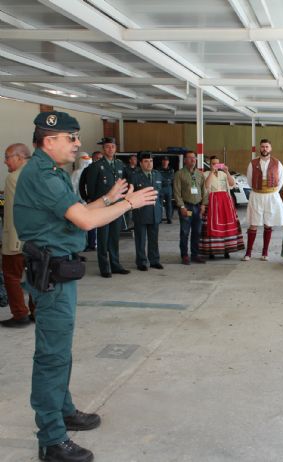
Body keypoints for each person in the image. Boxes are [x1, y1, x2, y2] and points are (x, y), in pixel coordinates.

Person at [14, 111, 157, 462]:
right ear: (50, 141)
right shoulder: (43, 176)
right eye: (71, 138)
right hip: (52, 276)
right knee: (52, 356)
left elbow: (78, 210)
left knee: (59, 351)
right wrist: (128, 203)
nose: (78, 144)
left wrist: (109, 197)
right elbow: (86, 220)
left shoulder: (52, 173)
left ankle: (62, 411)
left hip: (60, 272)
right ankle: (51, 439)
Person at [83, 137, 130, 277]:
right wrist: (94, 203)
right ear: (104, 149)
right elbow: (90, 188)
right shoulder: (96, 166)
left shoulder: (120, 165)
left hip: (116, 206)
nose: (110, 149)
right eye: (108, 147)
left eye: (113, 147)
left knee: (115, 237)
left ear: (116, 149)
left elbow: (124, 183)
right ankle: (104, 267)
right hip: (103, 207)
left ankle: (115, 264)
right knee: (103, 238)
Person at [1, 143, 35, 328]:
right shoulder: (36, 173)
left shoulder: (13, 177)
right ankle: (36, 311)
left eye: (8, 157)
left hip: (17, 239)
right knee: (35, 276)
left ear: (20, 157)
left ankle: (20, 314)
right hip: (36, 239)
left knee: (11, 276)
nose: (5, 161)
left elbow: (16, 212)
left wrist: (14, 243)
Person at [243, 139, 283, 261]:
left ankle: (265, 252)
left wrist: (271, 191)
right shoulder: (252, 163)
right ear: (259, 148)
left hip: (271, 196)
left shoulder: (278, 163)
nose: (265, 149)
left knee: (268, 223)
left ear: (270, 148)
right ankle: (248, 253)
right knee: (253, 223)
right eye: (262, 146)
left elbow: (281, 181)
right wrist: (259, 189)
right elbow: (250, 181)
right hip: (256, 195)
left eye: (267, 147)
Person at [199, 155, 244, 258]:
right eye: (213, 163)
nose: (215, 165)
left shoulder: (223, 174)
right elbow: (206, 185)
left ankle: (226, 250)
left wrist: (227, 172)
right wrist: (211, 172)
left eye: (217, 163)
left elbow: (232, 183)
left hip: (225, 202)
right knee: (211, 226)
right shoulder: (205, 174)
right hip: (212, 202)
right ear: (210, 165)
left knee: (226, 226)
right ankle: (212, 251)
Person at [130, 152, 164, 271]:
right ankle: (141, 262)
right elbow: (131, 195)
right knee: (141, 239)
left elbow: (160, 194)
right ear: (140, 163)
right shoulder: (135, 176)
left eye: (151, 161)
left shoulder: (157, 174)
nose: (149, 164)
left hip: (155, 212)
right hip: (141, 212)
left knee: (153, 239)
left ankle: (154, 260)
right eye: (146, 161)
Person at [173, 151, 208, 265]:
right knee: (185, 232)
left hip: (197, 207)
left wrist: (203, 204)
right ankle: (184, 255)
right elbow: (177, 192)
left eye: (194, 158)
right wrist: (181, 206)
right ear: (185, 160)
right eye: (190, 158)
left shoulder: (199, 174)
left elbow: (204, 190)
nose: (193, 160)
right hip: (186, 207)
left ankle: (195, 254)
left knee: (197, 232)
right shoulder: (180, 174)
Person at [78, 151, 102, 251]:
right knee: (91, 224)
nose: (98, 160)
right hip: (92, 201)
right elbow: (81, 185)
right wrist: (86, 197)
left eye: (100, 158)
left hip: (105, 201)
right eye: (96, 158)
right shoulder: (87, 170)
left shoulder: (106, 169)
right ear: (93, 158)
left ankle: (103, 244)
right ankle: (92, 244)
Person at [158, 155, 174, 223]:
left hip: (168, 188)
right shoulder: (158, 169)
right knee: (160, 204)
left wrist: (165, 180)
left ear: (168, 162)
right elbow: (159, 178)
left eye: (166, 160)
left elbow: (171, 178)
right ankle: (159, 218)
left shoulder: (171, 170)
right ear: (162, 161)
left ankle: (169, 218)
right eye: (164, 160)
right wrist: (166, 180)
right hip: (161, 188)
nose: (165, 162)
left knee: (169, 204)